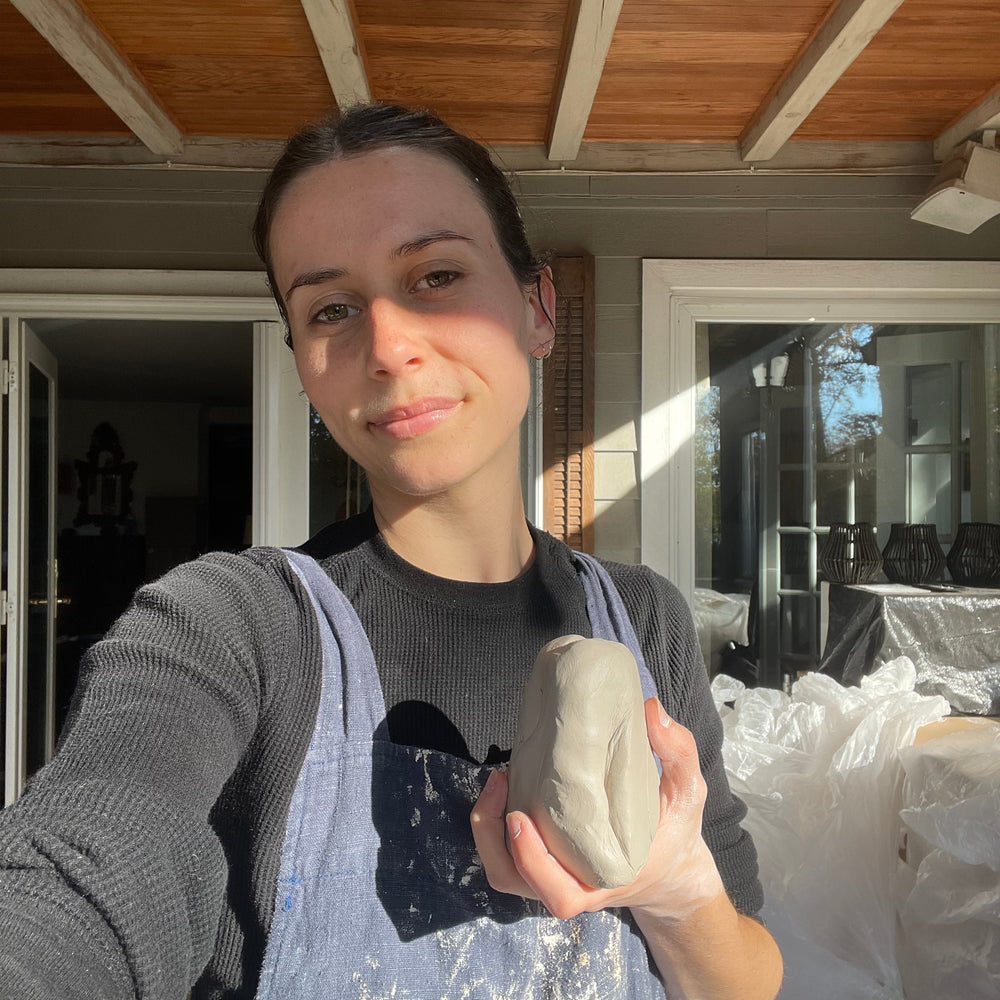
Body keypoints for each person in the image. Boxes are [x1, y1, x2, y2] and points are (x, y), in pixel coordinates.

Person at [0, 103, 782, 1000]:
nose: (388, 346)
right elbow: (87, 867)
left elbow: (747, 979)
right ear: (301, 361)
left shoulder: (644, 618)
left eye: (436, 275)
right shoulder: (231, 625)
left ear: (537, 308)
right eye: (331, 308)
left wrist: (676, 890)